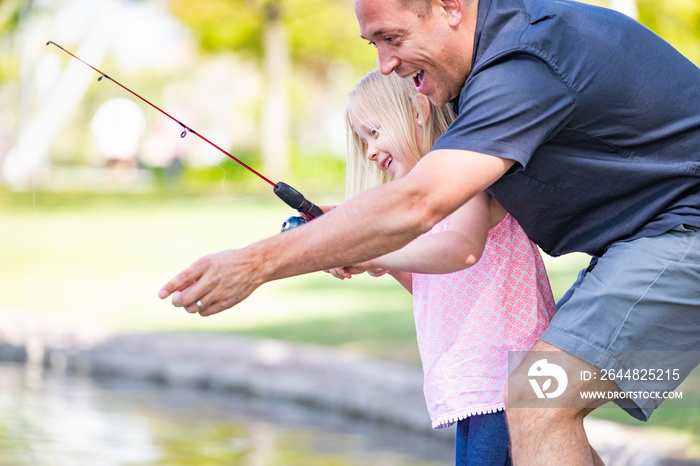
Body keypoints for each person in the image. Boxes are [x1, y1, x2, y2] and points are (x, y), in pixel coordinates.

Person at [159, 0, 700, 463]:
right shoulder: (487, 76)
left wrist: (255, 263)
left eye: (391, 38)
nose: (385, 63)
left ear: (450, 6)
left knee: (540, 399)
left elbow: (420, 203)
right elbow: (441, 219)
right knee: (547, 399)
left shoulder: (523, 64)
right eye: (373, 43)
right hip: (643, 243)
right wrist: (354, 236)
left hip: (683, 231)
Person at [329, 69, 555, 464]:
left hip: (506, 376)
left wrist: (378, 254)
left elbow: (463, 250)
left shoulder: (463, 176)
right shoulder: (436, 201)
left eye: (374, 132)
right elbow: (438, 287)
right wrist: (375, 262)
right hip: (479, 382)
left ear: (417, 111)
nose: (369, 151)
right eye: (363, 140)